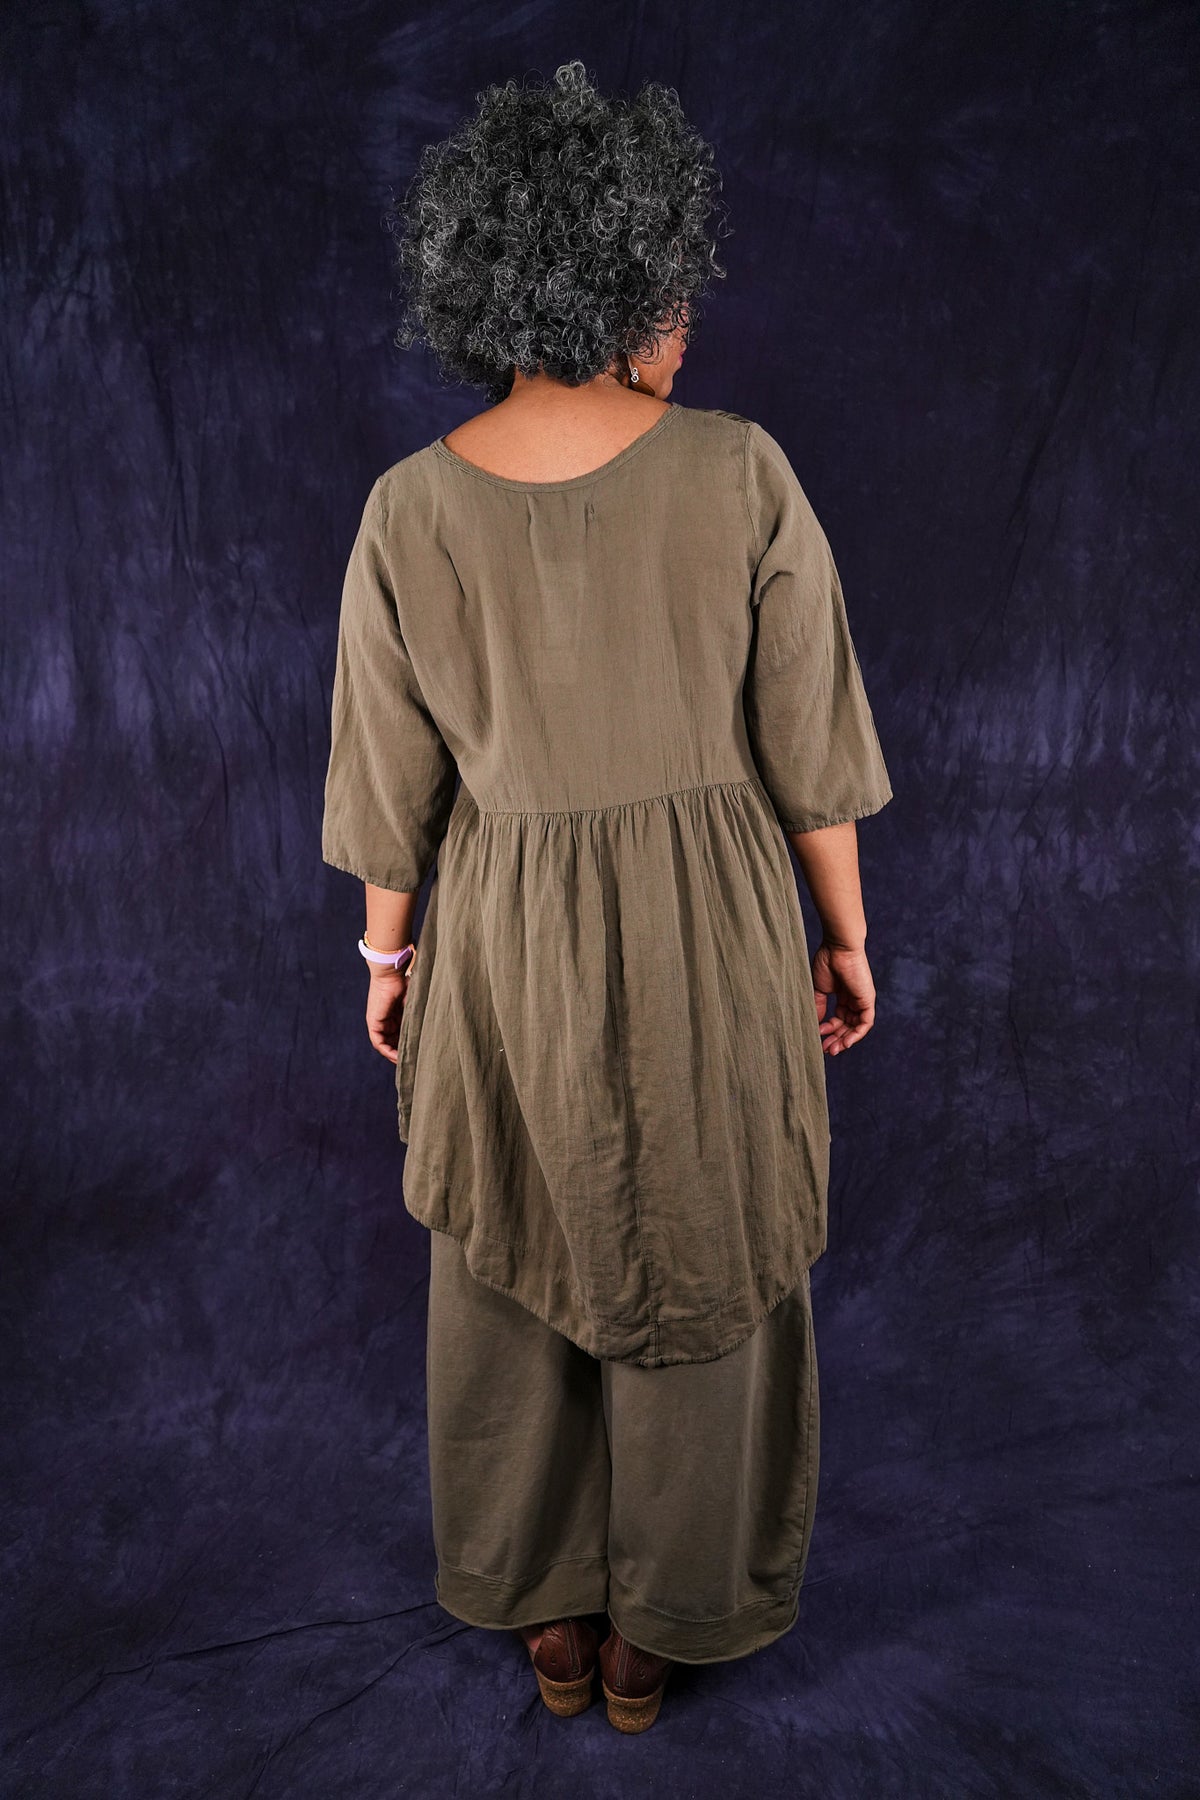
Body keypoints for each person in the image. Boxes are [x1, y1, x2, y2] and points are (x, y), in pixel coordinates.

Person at [321, 61, 893, 1733]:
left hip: (502, 943)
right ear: (626, 279)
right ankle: (666, 1628)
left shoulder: (406, 511)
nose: (689, 334)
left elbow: (388, 790)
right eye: (678, 300)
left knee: (512, 1247)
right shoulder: (741, 473)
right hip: (714, 932)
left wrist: (386, 958)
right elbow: (812, 757)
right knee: (702, 1244)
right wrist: (847, 938)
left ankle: (552, 1625)